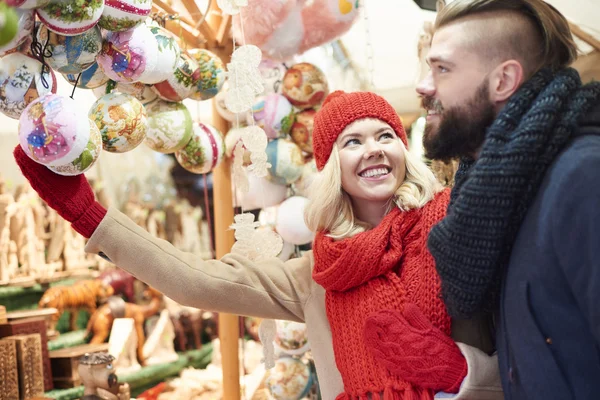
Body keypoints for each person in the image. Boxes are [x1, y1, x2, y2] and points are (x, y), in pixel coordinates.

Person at [13, 91, 503, 399]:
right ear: (332, 169)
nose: (373, 148)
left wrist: (462, 375)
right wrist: (88, 215)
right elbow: (196, 281)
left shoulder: (452, 230)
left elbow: (530, 328)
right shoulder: (316, 277)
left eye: (385, 136)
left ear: (403, 149)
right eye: (352, 142)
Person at [382, 0, 600, 399]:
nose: (423, 86)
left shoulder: (581, 179)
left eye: (442, 69)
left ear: (503, 81)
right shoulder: (497, 200)